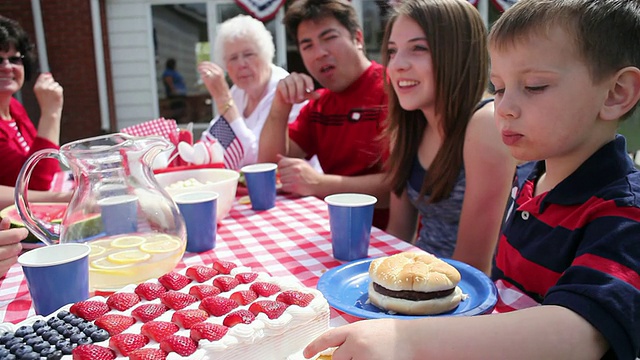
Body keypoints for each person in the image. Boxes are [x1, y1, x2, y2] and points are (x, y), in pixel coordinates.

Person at [304, 0, 640, 359]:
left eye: (535, 86)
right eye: (498, 87)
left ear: (616, 93)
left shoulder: (624, 210)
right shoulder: (531, 184)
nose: (505, 107)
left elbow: (579, 334)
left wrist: (408, 339)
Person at [381, 0, 514, 274]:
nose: (397, 65)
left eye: (418, 48)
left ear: (458, 53)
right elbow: (397, 235)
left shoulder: (486, 125)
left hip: (469, 297)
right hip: (418, 280)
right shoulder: (408, 127)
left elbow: (473, 267)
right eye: (392, 52)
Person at [257, 0, 390, 229]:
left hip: (389, 240)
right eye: (307, 45)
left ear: (358, 38)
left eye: (329, 38)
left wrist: (319, 183)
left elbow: (400, 190)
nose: (319, 53)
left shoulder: (392, 90)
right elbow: (270, 168)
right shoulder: (319, 104)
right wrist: (280, 107)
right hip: (333, 231)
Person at [197, 15, 313, 170]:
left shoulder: (283, 88)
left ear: (266, 54)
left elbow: (258, 161)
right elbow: (213, 139)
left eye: (248, 54)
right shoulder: (239, 91)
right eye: (233, 58)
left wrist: (224, 100)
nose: (241, 64)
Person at [0, 16, 62, 190]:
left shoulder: (14, 108)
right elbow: (36, 183)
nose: (7, 67)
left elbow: (51, 168)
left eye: (14, 59)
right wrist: (51, 113)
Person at [162, 58, 187, 123]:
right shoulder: (168, 73)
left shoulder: (174, 71)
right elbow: (169, 82)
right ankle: (175, 121)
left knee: (181, 108)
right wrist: (174, 91)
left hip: (181, 93)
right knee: (176, 109)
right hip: (174, 95)